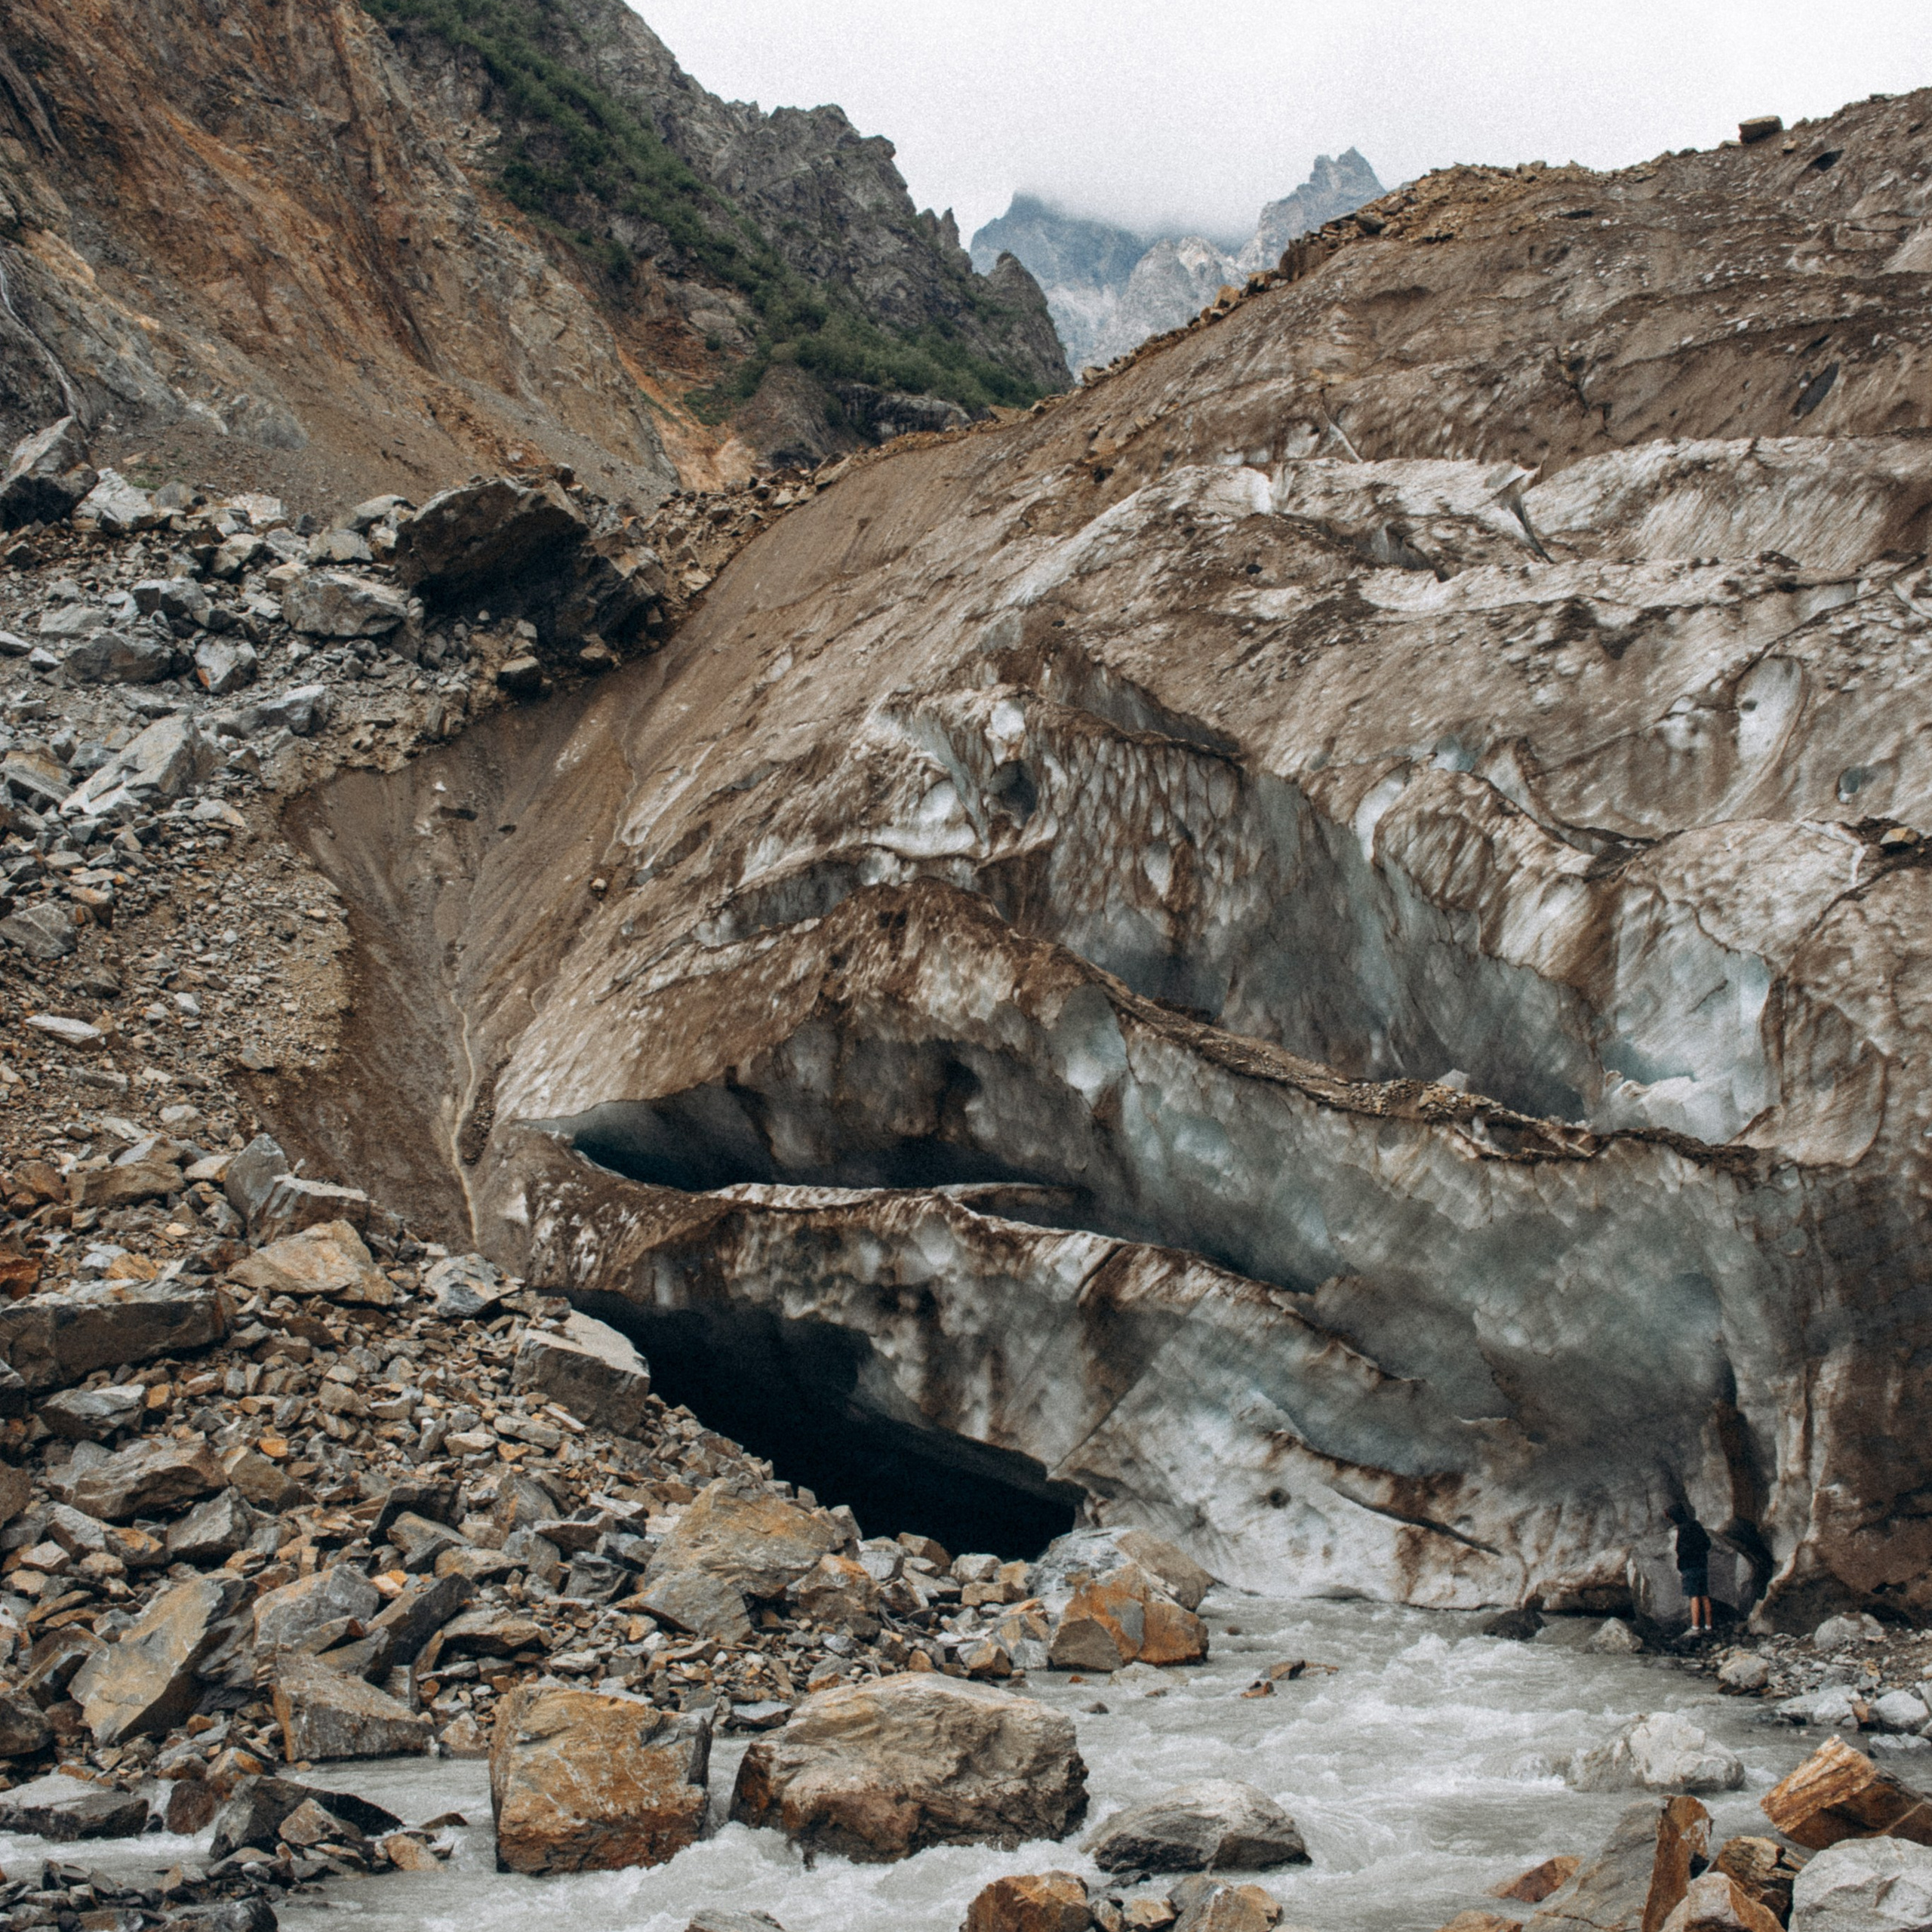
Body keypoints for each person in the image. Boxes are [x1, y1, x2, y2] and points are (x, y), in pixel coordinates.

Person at [1668, 1501, 1713, 1634]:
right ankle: (1709, 1626)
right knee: (1704, 1595)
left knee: (1693, 1596)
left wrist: (1681, 1564)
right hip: (1702, 1565)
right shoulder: (1696, 1525)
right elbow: (1707, 1544)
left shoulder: (1683, 1529)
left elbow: (1680, 1550)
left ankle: (1695, 1626)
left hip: (1689, 1567)